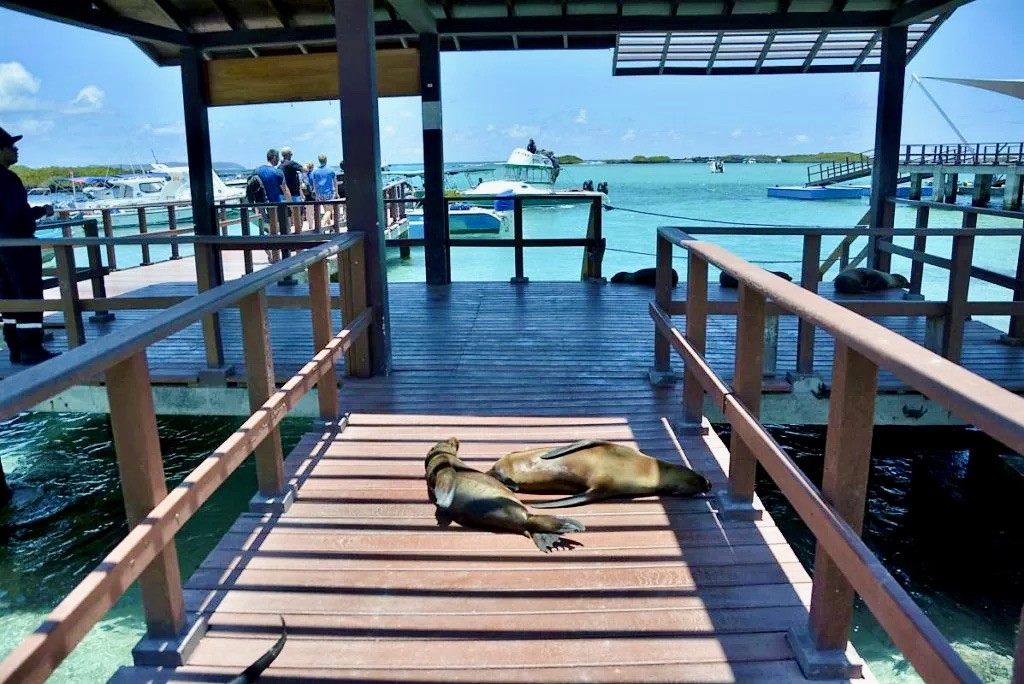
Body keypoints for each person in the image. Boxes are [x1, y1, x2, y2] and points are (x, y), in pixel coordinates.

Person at [0, 126, 57, 365]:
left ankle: (14, 348)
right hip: (17, 246)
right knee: (29, 293)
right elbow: (15, 216)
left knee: (8, 296)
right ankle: (32, 347)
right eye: (12, 146)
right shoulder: (7, 179)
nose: (16, 150)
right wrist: (41, 211)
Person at [256, 148, 290, 261]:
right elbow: (285, 190)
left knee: (266, 231)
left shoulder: (257, 171)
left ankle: (270, 253)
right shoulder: (277, 172)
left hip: (261, 205)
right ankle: (277, 256)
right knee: (278, 231)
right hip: (275, 205)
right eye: (278, 157)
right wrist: (291, 204)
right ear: (274, 157)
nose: (279, 160)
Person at [310, 154, 340, 232]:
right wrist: (336, 192)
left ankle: (330, 229)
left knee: (326, 210)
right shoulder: (331, 170)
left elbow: (314, 183)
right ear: (326, 160)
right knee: (329, 211)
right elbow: (335, 182)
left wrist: (316, 194)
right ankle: (322, 225)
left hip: (320, 193)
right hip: (329, 193)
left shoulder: (315, 171)